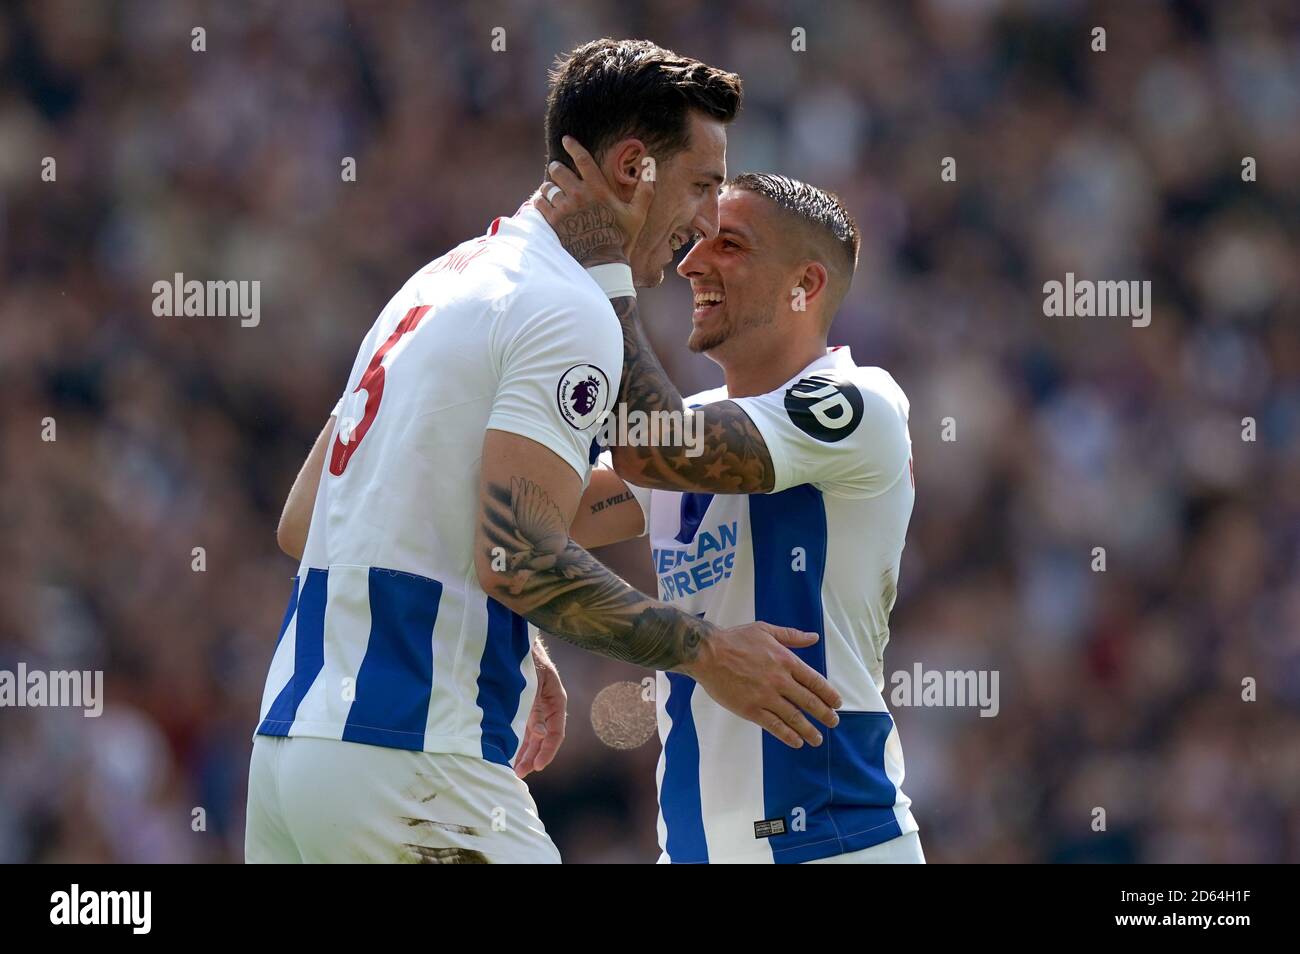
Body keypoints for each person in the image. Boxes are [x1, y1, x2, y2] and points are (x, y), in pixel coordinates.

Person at [245, 39, 842, 864]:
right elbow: (519, 556)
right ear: (633, 167)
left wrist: (513, 639)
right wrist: (708, 652)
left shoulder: (435, 283)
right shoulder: (568, 308)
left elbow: (304, 520)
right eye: (702, 185)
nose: (706, 222)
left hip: (290, 755)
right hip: (417, 763)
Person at [539, 154, 923, 863]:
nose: (691, 265)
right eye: (696, 240)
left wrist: (602, 265)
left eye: (730, 245)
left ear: (805, 285)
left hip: (833, 843)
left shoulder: (857, 404)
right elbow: (538, 517)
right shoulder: (695, 423)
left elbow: (658, 449)